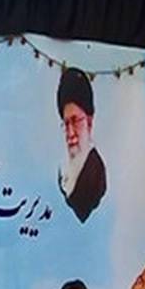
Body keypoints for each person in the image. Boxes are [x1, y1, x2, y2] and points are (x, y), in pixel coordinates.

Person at [57, 67, 107, 222]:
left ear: (89, 123)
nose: (70, 133)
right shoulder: (65, 173)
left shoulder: (96, 176)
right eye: (66, 124)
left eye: (75, 121)